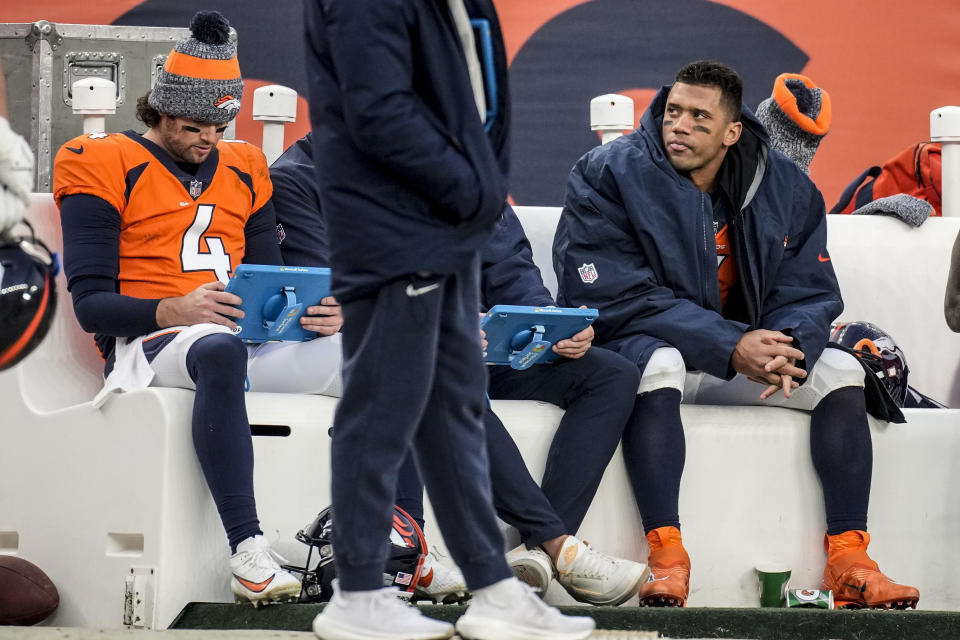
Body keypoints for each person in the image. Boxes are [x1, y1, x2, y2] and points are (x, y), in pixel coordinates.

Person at [553, 60, 920, 610]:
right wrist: (730, 344)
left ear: (732, 132)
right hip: (650, 348)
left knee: (843, 371)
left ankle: (850, 561)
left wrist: (789, 346)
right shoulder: (609, 171)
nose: (679, 125)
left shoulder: (785, 185)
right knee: (659, 364)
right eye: (673, 111)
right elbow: (611, 294)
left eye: (700, 117)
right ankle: (667, 558)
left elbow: (810, 290)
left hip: (741, 359)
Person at [303, 1, 595, 639]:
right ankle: (356, 594)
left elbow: (471, 100)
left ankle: (494, 590)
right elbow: (378, 108)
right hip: (398, 227)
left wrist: (473, 197)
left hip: (446, 227)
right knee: (380, 407)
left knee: (454, 410)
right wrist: (475, 188)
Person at [270, 132, 649, 607]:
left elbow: (509, 266)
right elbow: (325, 296)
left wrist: (549, 325)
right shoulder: (296, 179)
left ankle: (535, 552)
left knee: (610, 373)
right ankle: (558, 546)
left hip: (481, 343)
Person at [51, 11, 349, 607]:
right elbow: (92, 307)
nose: (207, 138)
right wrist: (171, 310)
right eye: (192, 125)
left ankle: (407, 543)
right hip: (150, 345)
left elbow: (270, 285)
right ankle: (249, 553)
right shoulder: (101, 160)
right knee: (216, 346)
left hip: (244, 343)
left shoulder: (245, 166)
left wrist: (317, 313)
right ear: (158, 110)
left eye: (218, 124)